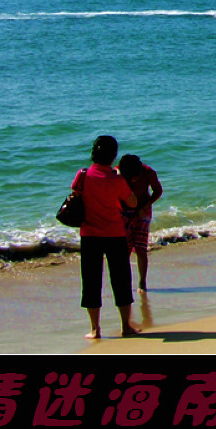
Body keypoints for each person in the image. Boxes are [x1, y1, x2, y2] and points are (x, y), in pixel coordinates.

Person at [71, 135, 139, 339]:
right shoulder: (117, 180)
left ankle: (95, 329)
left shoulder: (82, 175)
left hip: (89, 234)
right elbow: (133, 202)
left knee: (91, 282)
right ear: (113, 156)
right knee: (121, 280)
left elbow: (75, 194)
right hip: (115, 234)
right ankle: (126, 326)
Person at [116, 154, 164, 293]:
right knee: (125, 249)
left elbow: (158, 191)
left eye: (135, 177)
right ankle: (124, 283)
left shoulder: (149, 172)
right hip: (124, 211)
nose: (133, 180)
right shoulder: (118, 173)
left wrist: (145, 206)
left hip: (143, 209)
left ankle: (142, 282)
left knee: (140, 248)